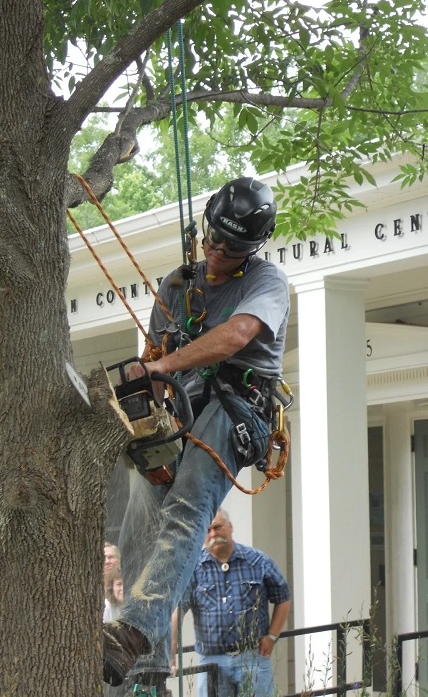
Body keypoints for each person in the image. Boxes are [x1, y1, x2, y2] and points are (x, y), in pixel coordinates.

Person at [102, 177, 290, 695]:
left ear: (254, 248)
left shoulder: (268, 282)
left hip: (236, 408)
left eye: (233, 246)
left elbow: (237, 336)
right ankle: (148, 670)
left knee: (188, 506)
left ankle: (134, 632)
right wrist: (147, 392)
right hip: (180, 408)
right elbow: (152, 356)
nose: (219, 251)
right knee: (142, 518)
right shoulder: (177, 285)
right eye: (214, 238)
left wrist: (164, 363)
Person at [171, 509, 290, 697]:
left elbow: (283, 597)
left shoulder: (258, 561)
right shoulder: (194, 568)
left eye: (217, 527)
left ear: (230, 527)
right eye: (207, 530)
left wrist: (272, 636)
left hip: (252, 657)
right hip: (211, 661)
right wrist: (171, 652)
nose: (213, 534)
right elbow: (178, 610)